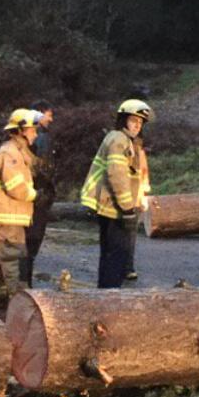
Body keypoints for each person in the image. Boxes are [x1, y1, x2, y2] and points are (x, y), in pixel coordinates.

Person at [80, 99, 153, 288]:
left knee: (110, 256)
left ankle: (105, 295)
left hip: (112, 207)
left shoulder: (124, 140)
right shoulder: (119, 140)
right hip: (115, 209)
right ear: (123, 121)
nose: (137, 126)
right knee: (115, 258)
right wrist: (128, 208)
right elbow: (117, 175)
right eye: (133, 121)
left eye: (140, 123)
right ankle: (109, 298)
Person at [0, 108, 38, 308]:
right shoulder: (10, 153)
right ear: (21, 130)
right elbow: (16, 187)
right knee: (14, 256)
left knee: (0, 254)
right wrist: (36, 196)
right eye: (33, 130)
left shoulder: (16, 151)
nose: (36, 134)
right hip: (10, 215)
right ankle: (20, 301)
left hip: (7, 215)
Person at [23, 101, 55, 286]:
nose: (51, 119)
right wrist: (45, 193)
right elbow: (42, 169)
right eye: (48, 114)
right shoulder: (41, 138)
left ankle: (24, 281)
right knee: (32, 241)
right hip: (37, 198)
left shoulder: (32, 139)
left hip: (33, 197)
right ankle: (25, 284)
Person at [125, 134, 151, 281]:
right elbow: (144, 177)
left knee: (124, 235)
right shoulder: (139, 153)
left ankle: (125, 267)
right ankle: (128, 268)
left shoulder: (121, 150)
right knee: (129, 236)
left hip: (125, 200)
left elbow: (144, 176)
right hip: (131, 200)